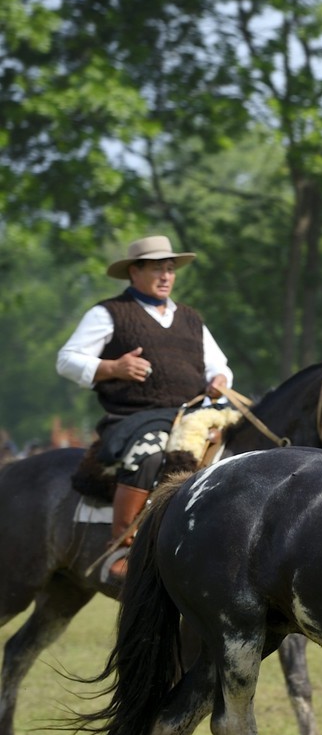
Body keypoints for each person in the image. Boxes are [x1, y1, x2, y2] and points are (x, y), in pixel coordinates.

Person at [57, 234, 233, 580]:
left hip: (193, 416)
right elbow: (67, 359)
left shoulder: (190, 317)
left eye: (170, 269)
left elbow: (219, 364)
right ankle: (121, 548)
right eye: (157, 269)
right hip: (134, 418)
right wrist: (113, 367)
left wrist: (220, 380)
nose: (166, 276)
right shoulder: (110, 313)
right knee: (149, 455)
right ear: (134, 272)